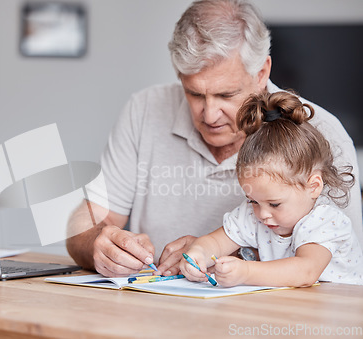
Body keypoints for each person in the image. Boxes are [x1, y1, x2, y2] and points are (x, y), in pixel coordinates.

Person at [66, 0, 363, 277]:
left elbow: (335, 265)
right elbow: (84, 225)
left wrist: (228, 254)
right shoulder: (144, 110)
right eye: (194, 93)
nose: (209, 115)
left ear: (262, 73)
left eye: (226, 94)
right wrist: (98, 246)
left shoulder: (321, 133)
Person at [180, 91, 363, 287]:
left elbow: (305, 271)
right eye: (253, 200)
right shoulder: (253, 214)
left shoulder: (325, 221)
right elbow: (214, 243)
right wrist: (197, 254)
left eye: (274, 204)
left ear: (313, 187)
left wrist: (245, 272)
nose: (263, 214)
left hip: (339, 311)